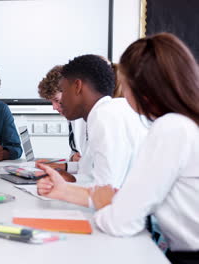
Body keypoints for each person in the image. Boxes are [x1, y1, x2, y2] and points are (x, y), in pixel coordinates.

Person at [37, 33, 199, 264]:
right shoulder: (181, 123)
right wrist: (67, 191)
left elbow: (121, 219)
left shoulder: (171, 128)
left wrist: (111, 207)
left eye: (124, 83)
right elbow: (122, 197)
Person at [45, 55, 147, 188]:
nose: (59, 103)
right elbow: (90, 172)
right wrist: (72, 179)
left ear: (77, 86)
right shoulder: (104, 112)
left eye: (63, 91)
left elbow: (105, 190)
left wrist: (63, 189)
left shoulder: (105, 116)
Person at [37, 65, 87, 174]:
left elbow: (92, 167)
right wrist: (73, 158)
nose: (54, 107)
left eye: (56, 100)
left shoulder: (92, 118)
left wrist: (62, 166)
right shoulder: (73, 118)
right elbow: (77, 152)